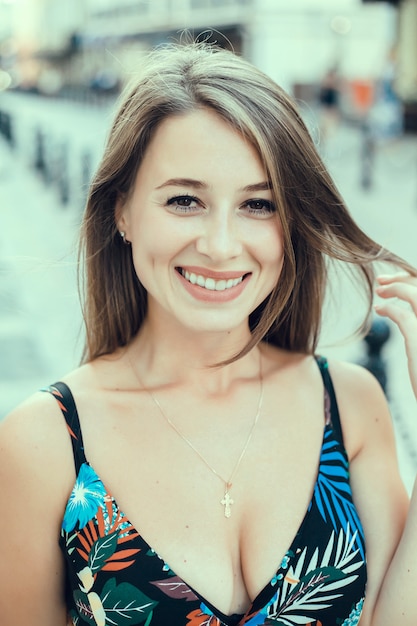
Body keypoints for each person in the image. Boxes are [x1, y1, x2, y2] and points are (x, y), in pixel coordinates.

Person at [0, 41, 416, 626]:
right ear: (122, 211)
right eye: (185, 200)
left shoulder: (348, 407)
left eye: (258, 205)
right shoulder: (47, 445)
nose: (221, 246)